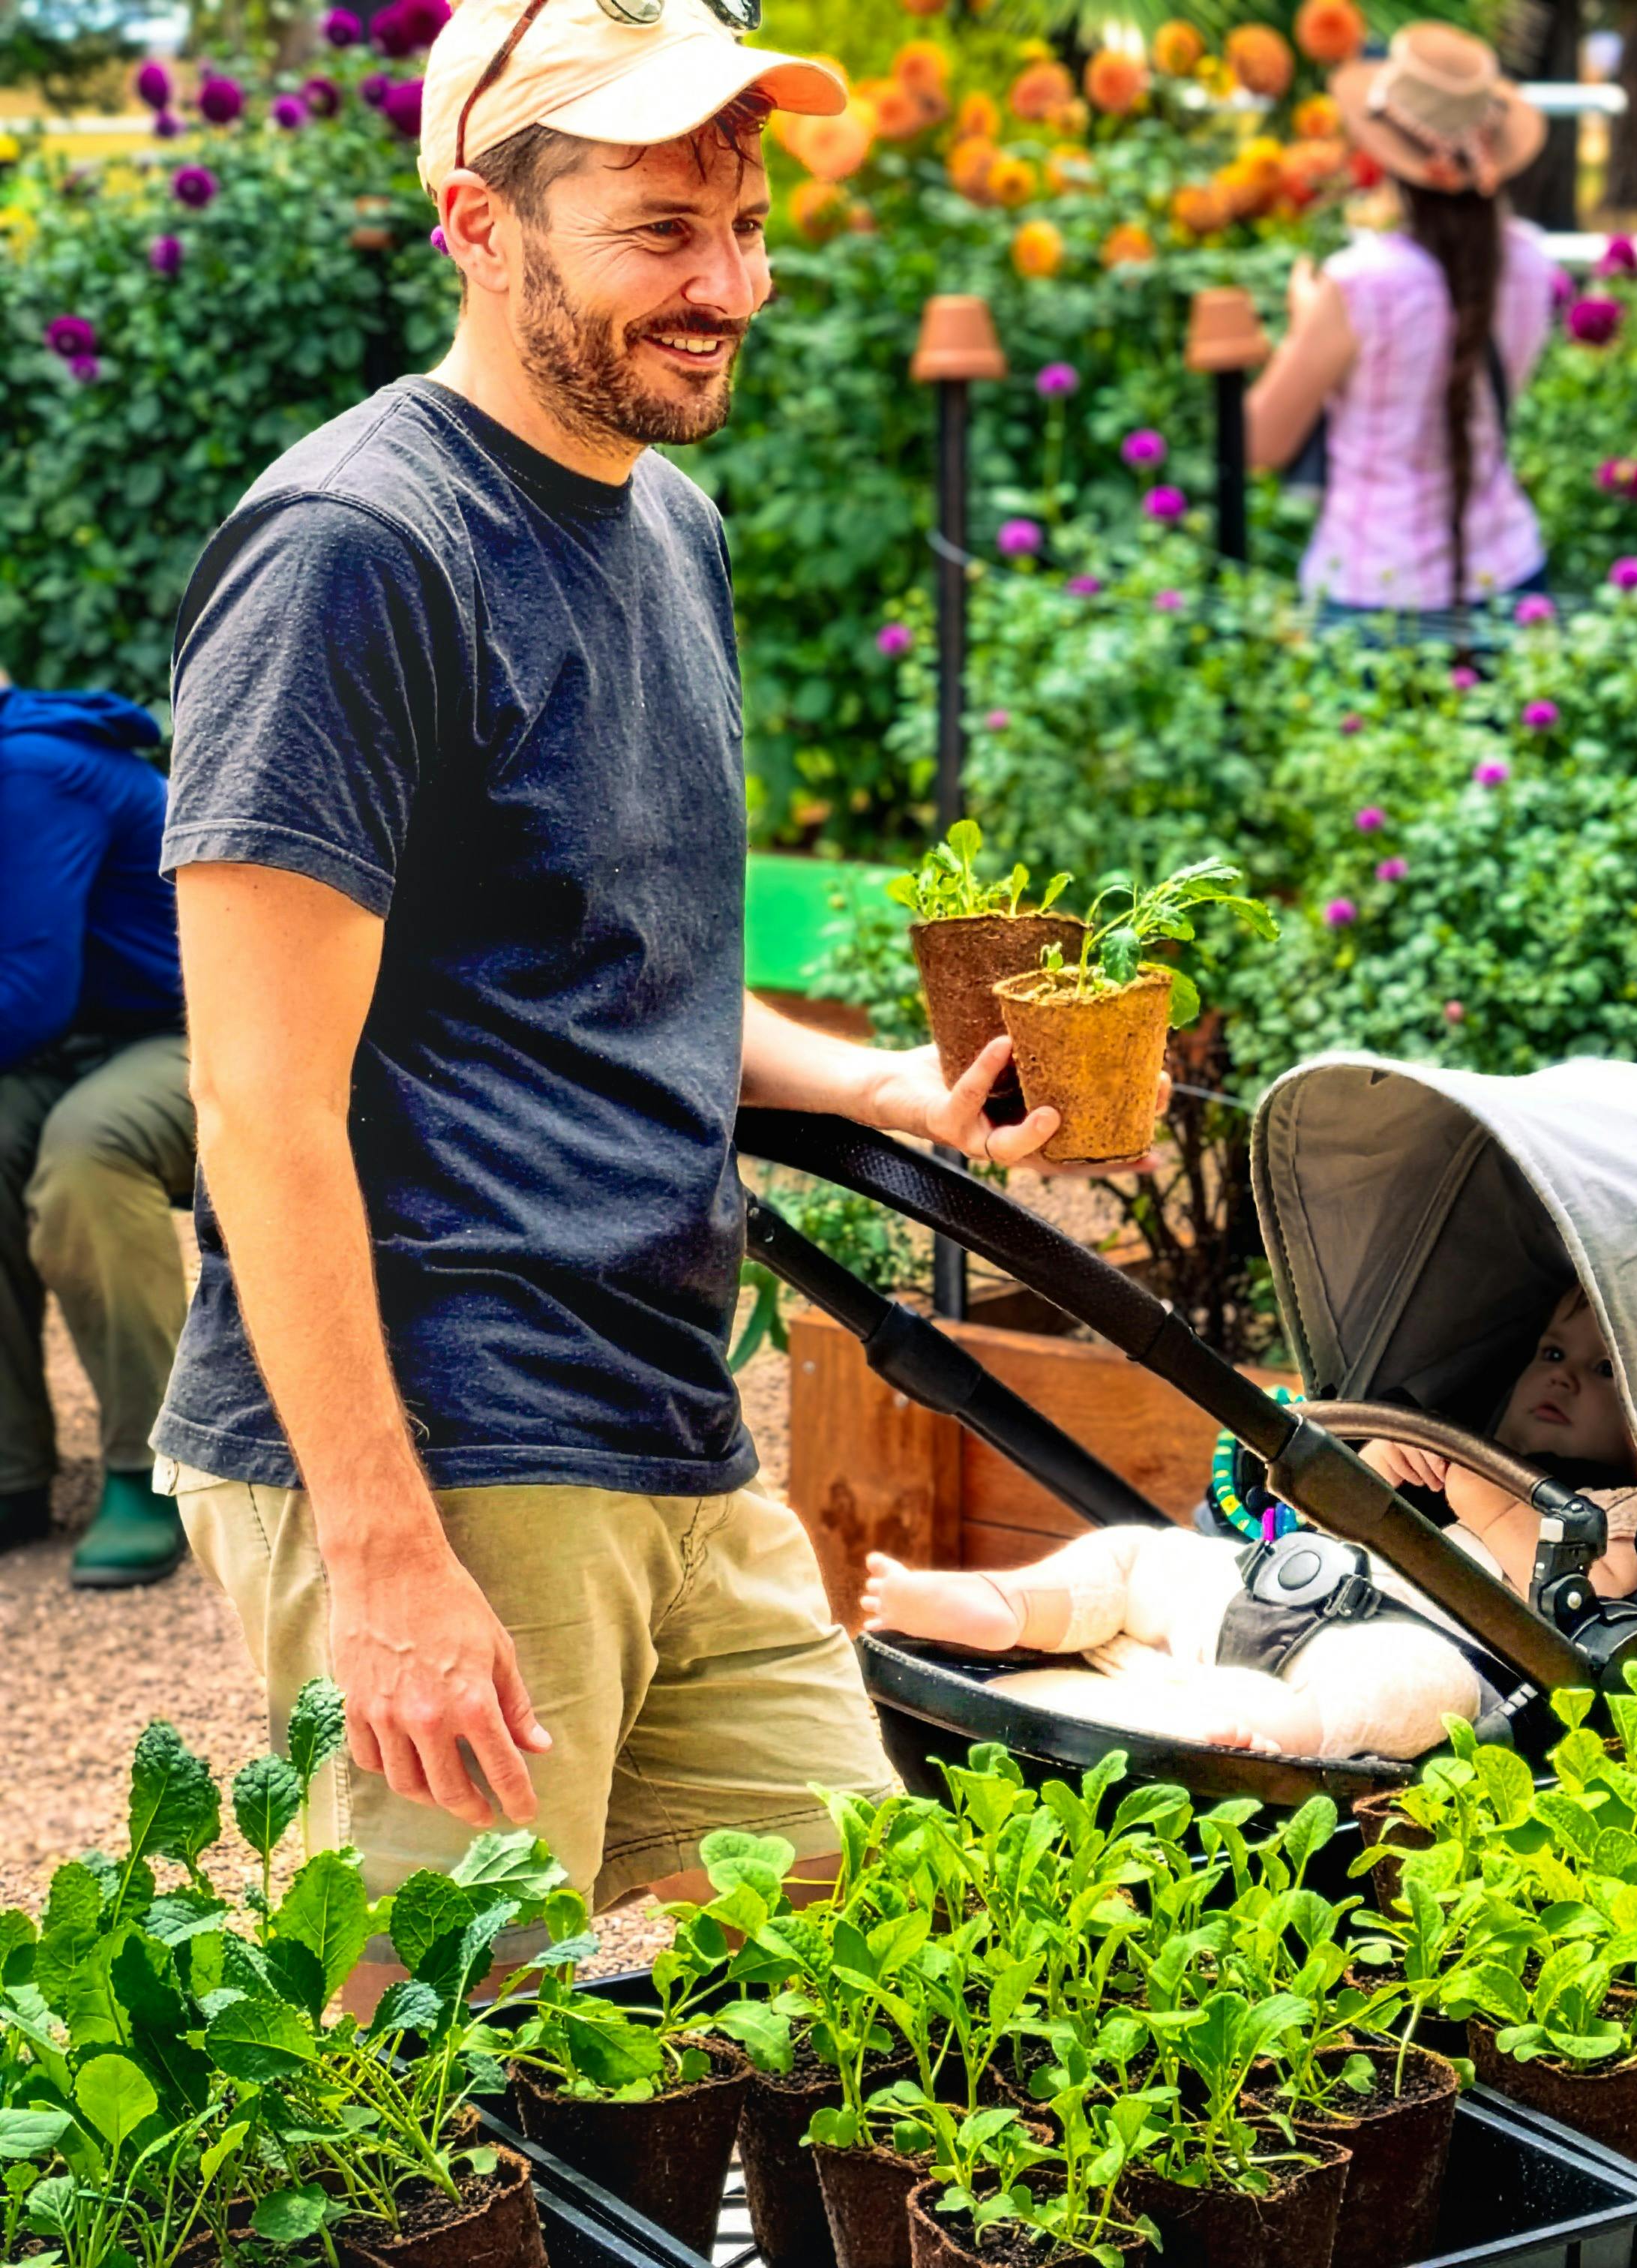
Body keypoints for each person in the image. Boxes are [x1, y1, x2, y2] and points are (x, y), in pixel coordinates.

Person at [154, 0, 1115, 1976]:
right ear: (474, 225)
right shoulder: (357, 553)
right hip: (454, 1437)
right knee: (433, 2090)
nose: (730, 286)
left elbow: (612, 974)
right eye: (661, 230)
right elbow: (261, 1105)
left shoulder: (668, 527)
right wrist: (388, 1558)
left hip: (666, 1420)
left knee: (887, 1977)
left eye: (745, 224)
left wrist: (887, 1095)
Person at [860, 1286, 1637, 1759]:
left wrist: (1486, 1497)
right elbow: (1323, 1517)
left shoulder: (1632, 1511)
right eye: (1553, 1354)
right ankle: (1010, 1608)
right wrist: (1377, 1465)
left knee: (1414, 1693)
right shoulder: (1452, 1441)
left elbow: (1594, 1597)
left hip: (1408, 1645)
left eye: (1605, 1371)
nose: (1565, 1380)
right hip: (1283, 1587)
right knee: (1145, 1556)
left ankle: (1256, 1733)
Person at [1246, 22, 1557, 632]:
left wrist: (1306, 325)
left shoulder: (1362, 283)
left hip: (1374, 595)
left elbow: (1260, 442)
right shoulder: (1531, 261)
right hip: (1511, 579)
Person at [0, 680, 194, 1587]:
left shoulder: (31, 768)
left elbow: (28, 993)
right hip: (76, 1038)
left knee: (87, 1152)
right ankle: (10, 1472)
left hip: (199, 1028)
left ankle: (153, 1467)